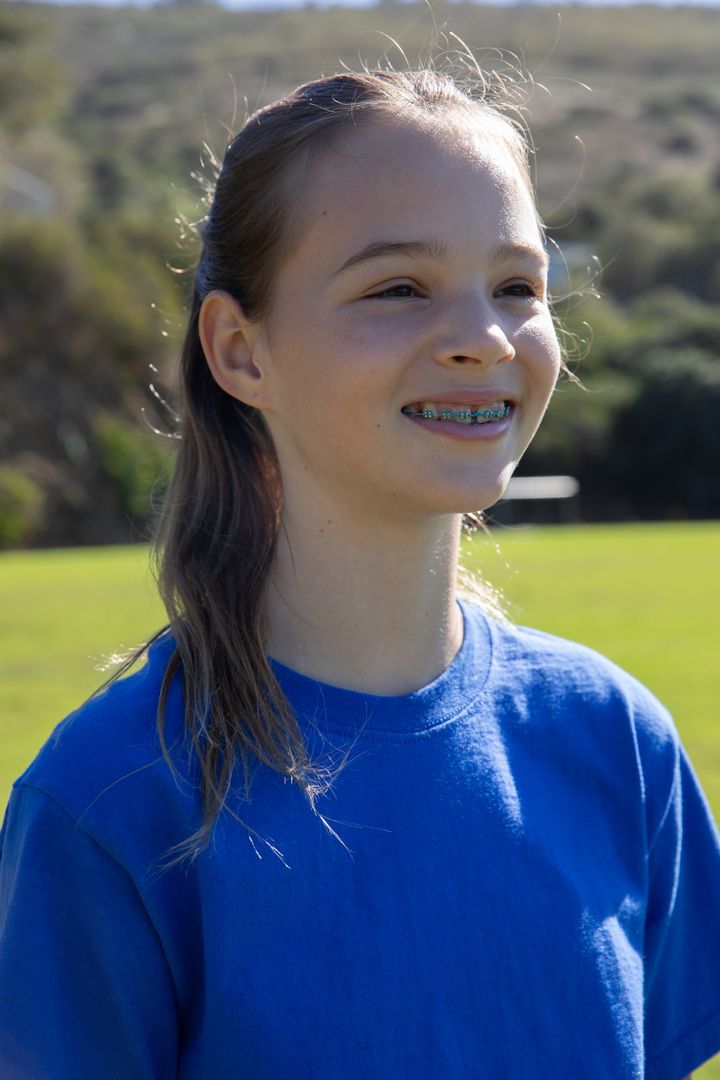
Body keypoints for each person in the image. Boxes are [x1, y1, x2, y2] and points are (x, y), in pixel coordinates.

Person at [0, 65, 718, 1080]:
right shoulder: (110, 802)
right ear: (241, 352)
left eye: (517, 285)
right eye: (397, 289)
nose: (481, 338)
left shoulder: (616, 742)